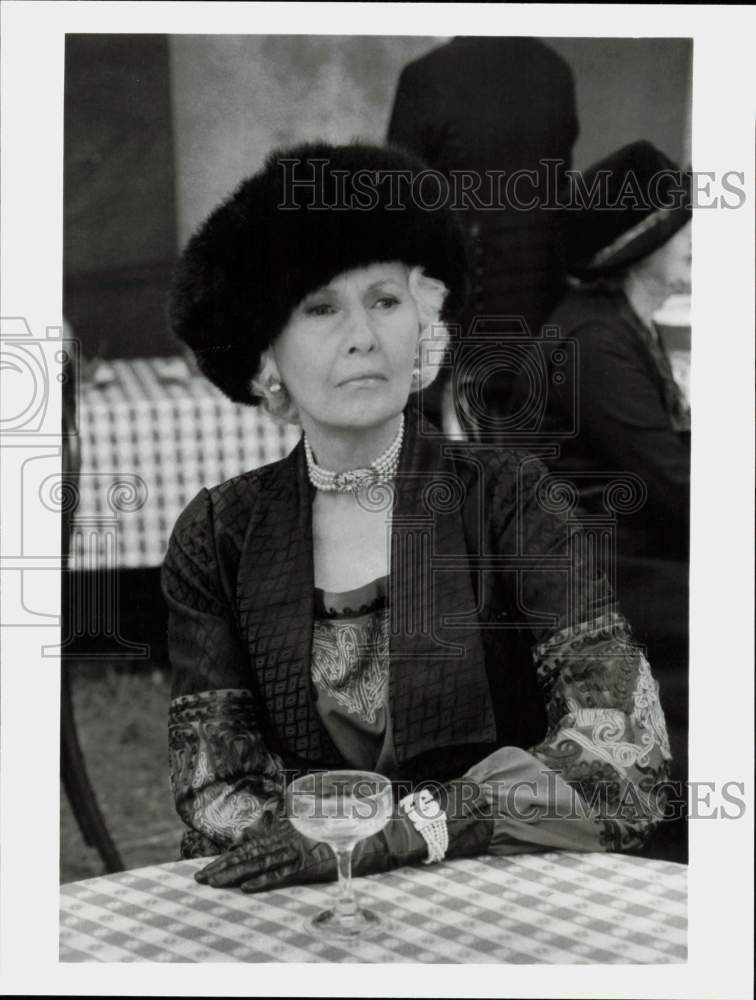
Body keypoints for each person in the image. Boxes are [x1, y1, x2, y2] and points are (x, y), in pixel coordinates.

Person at [163, 141, 671, 894]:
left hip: (499, 892)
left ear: (423, 328)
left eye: (386, 300)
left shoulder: (510, 498)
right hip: (304, 909)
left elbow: (627, 753)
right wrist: (327, 861)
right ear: (266, 361)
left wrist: (412, 831)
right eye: (321, 307)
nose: (362, 335)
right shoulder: (217, 536)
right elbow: (215, 787)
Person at [510, 140, 691, 857]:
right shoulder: (593, 342)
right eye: (680, 229)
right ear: (638, 248)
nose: (693, 242)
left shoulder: (617, 324)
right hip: (609, 581)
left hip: (641, 554)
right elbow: (678, 489)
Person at [387, 36, 579, 427]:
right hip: (541, 321)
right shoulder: (554, 69)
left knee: (442, 465)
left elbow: (395, 211)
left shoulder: (427, 77)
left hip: (456, 327)